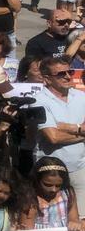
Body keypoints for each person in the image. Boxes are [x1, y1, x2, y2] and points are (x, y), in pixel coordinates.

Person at [34, 56, 85, 195]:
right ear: (47, 78)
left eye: (70, 72)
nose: (68, 77)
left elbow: (56, 133)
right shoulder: (38, 101)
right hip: (50, 171)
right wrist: (81, 129)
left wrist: (66, 127)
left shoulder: (81, 96)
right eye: (61, 74)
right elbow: (54, 137)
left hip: (80, 167)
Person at [20, 157, 82, 231]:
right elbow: (28, 230)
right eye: (48, 185)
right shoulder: (31, 200)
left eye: (58, 185)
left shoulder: (67, 194)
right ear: (37, 180)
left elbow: (74, 218)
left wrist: (74, 223)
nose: (53, 189)